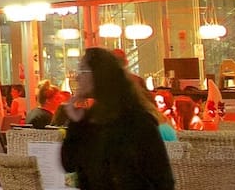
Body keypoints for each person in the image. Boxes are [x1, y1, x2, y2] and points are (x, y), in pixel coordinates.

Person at [60, 48, 173, 190]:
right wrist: (75, 122)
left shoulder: (137, 122)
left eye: (82, 71)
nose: (77, 77)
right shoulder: (88, 121)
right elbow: (69, 164)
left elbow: (162, 179)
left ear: (98, 75)